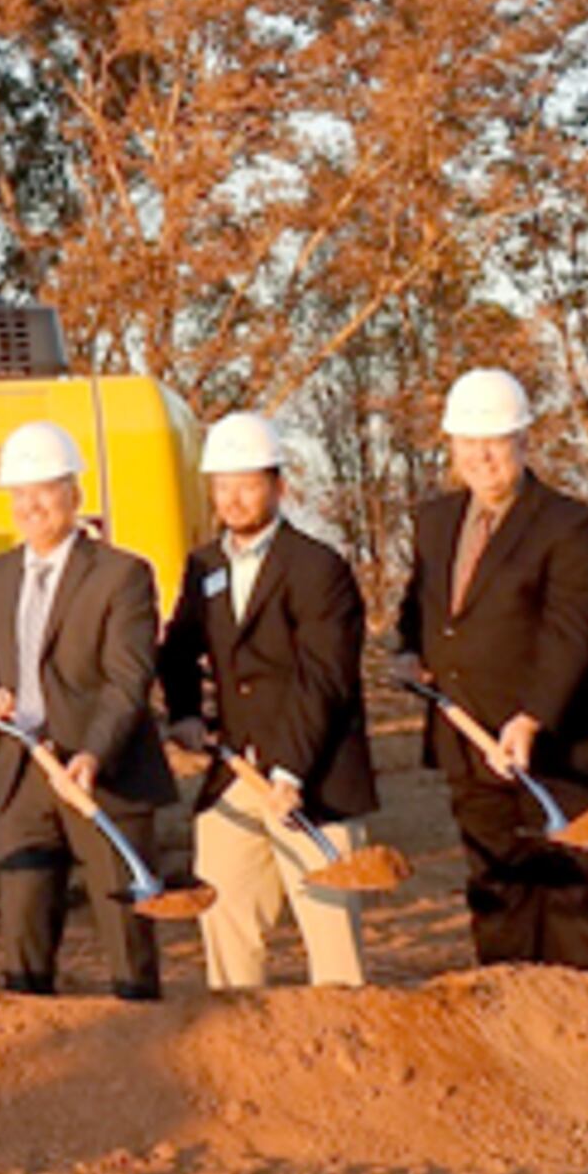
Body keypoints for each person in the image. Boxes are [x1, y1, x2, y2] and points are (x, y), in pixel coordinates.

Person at [392, 368, 588, 971]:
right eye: (468, 442)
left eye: (495, 440)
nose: (482, 455)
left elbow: (570, 633)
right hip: (471, 742)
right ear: (450, 446)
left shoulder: (573, 526)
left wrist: (531, 719)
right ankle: (512, 1028)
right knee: (498, 892)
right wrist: (407, 651)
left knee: (574, 899)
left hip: (564, 750)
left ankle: (584, 1037)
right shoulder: (436, 522)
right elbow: (424, 607)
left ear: (525, 441)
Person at [155, 413, 379, 990]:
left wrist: (289, 769)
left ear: (278, 487)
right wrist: (184, 713)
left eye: (247, 483)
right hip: (234, 774)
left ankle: (345, 1064)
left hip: (311, 778)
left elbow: (324, 678)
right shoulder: (205, 565)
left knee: (330, 937)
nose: (233, 497)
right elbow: (178, 648)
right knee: (227, 930)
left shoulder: (317, 568)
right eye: (222, 485)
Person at [0, 420, 177, 1001]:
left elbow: (128, 679)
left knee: (125, 930)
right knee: (23, 936)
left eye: (45, 491)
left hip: (100, 776)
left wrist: (93, 754)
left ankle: (142, 1047)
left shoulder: (121, 574)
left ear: (74, 496)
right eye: (20, 494)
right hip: (21, 774)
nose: (31, 506)